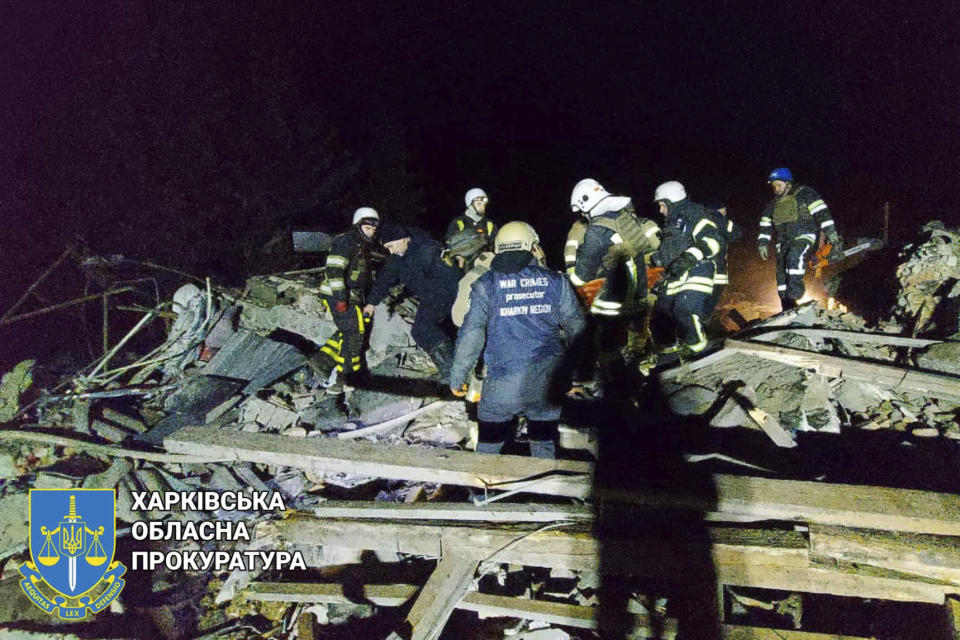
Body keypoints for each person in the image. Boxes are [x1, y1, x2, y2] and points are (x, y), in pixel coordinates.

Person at [449, 221, 586, 459]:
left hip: (501, 388)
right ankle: (542, 490)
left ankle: (482, 494)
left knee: (488, 449)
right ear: (531, 246)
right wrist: (577, 374)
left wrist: (457, 377)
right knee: (543, 445)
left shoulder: (486, 285)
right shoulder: (556, 281)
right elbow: (578, 328)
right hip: (546, 387)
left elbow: (471, 335)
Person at [568, 178, 661, 386]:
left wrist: (566, 278)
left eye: (582, 211)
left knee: (601, 343)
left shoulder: (596, 231)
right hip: (639, 294)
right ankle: (643, 374)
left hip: (615, 302)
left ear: (586, 205)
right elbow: (636, 251)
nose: (583, 216)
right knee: (636, 343)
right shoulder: (624, 219)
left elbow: (581, 276)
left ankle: (616, 385)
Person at [364, 224, 462, 381]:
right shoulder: (399, 257)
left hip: (446, 294)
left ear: (402, 239)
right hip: (430, 297)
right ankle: (449, 370)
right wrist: (371, 303)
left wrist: (441, 303)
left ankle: (453, 372)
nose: (390, 251)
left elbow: (451, 277)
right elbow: (385, 279)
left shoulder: (428, 250)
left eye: (391, 246)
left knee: (424, 328)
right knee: (420, 331)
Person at [312, 207, 381, 389]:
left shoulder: (362, 245)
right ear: (358, 226)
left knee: (349, 330)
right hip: (338, 296)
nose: (371, 232)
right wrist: (341, 299)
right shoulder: (346, 241)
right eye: (368, 228)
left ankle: (322, 360)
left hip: (352, 296)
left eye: (374, 229)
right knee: (354, 334)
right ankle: (348, 376)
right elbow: (334, 270)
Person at [651, 181, 722, 355]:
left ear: (671, 201)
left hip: (698, 270)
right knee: (660, 317)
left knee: (685, 311)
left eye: (662, 205)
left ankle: (700, 353)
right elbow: (669, 251)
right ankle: (670, 356)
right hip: (676, 277)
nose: (660, 210)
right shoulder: (671, 224)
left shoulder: (694, 213)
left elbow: (713, 241)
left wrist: (689, 257)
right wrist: (655, 260)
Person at [758, 167, 840, 310]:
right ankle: (786, 304)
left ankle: (795, 294)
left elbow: (822, 213)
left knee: (794, 255)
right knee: (781, 271)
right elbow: (765, 223)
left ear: (788, 183)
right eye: (774, 186)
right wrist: (762, 243)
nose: (776, 189)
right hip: (783, 241)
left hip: (804, 234)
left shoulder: (805, 194)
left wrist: (831, 232)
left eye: (779, 185)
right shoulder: (773, 204)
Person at [705, 200, 742, 310]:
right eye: (725, 210)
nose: (726, 212)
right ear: (720, 209)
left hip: (698, 270)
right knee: (712, 300)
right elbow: (737, 234)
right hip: (717, 271)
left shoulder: (698, 220)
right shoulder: (722, 221)